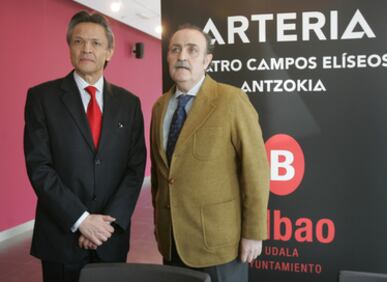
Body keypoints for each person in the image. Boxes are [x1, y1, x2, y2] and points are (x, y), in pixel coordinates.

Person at [24, 11, 146, 282]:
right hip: (61, 237)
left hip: (110, 238)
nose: (87, 48)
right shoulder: (42, 98)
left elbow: (135, 168)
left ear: (110, 51)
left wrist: (104, 227)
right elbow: (39, 167)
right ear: (69, 48)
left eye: (96, 43)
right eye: (78, 41)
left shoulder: (130, 103)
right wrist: (82, 221)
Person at [150, 24, 269, 282]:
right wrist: (160, 225)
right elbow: (160, 175)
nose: (182, 56)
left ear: (207, 60)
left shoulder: (232, 100)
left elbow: (256, 171)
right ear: (168, 57)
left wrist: (253, 232)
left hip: (218, 244)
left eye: (192, 50)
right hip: (172, 242)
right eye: (175, 49)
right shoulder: (160, 106)